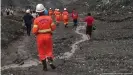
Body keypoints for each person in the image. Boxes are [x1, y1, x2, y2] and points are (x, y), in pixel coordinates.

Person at [32, 4, 56, 71]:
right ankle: (50, 62)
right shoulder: (49, 18)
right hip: (48, 37)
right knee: (49, 50)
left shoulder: (36, 20)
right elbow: (53, 28)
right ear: (44, 11)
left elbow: (34, 31)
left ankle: (45, 67)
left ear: (37, 12)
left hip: (40, 37)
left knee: (41, 52)